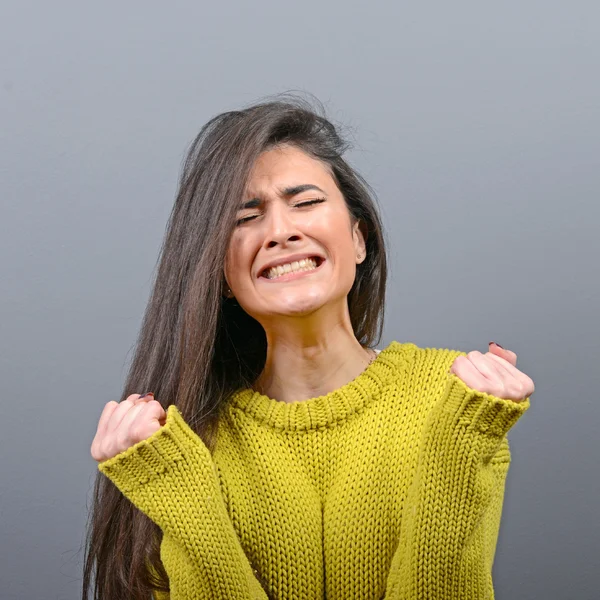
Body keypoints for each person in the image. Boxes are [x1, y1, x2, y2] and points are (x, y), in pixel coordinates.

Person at [83, 92, 535, 600]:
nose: (281, 231)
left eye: (306, 202)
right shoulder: (178, 445)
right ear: (221, 274)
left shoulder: (454, 398)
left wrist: (462, 440)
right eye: (244, 218)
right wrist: (177, 491)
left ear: (359, 239)